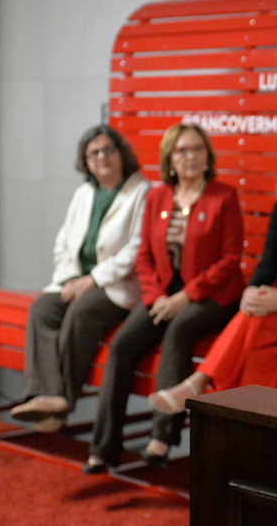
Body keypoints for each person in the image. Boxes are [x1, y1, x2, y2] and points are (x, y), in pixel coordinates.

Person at [148, 128, 277, 413]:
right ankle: (246, 417)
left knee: (256, 320)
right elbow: (268, 263)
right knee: (258, 344)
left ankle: (199, 381)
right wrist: (251, 290)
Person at [83, 122, 244, 473]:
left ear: (207, 156)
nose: (191, 156)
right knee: (122, 345)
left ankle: (162, 436)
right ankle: (104, 446)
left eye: (198, 149)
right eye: (183, 150)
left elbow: (230, 261)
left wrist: (186, 296)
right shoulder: (157, 197)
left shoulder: (223, 197)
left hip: (212, 295)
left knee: (178, 331)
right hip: (163, 295)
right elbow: (143, 257)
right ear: (170, 157)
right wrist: (156, 296)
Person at [10, 125, 149, 433]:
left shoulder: (142, 191)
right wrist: (71, 278)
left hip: (116, 286)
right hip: (74, 281)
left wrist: (93, 279)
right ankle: (46, 395)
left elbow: (137, 249)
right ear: (85, 162)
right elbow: (63, 242)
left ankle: (60, 402)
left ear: (121, 153)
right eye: (93, 153)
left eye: (108, 150)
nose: (102, 157)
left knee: (83, 310)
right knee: (42, 310)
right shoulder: (84, 193)